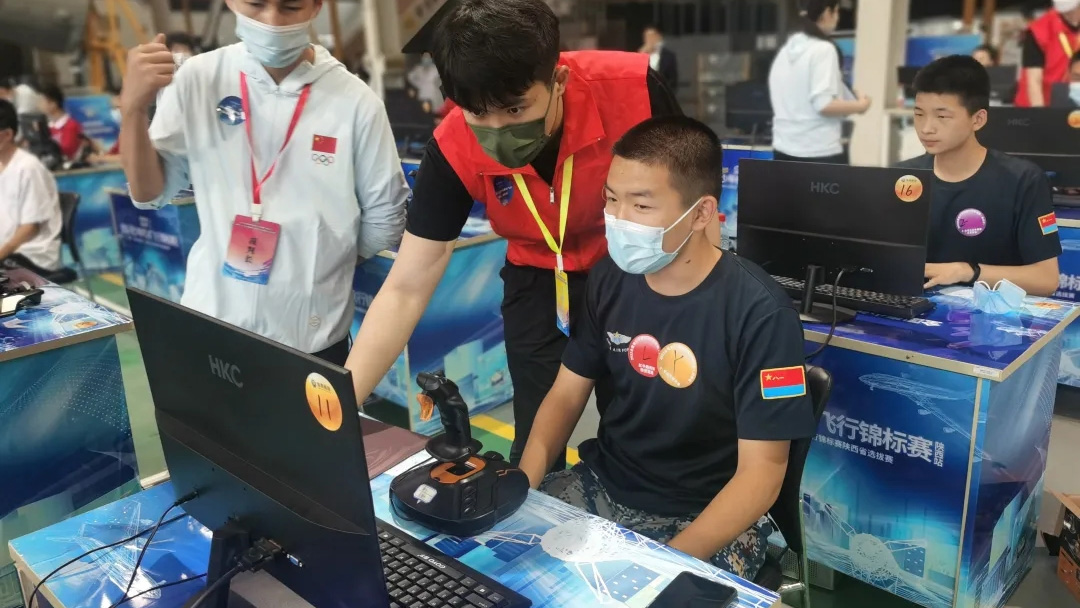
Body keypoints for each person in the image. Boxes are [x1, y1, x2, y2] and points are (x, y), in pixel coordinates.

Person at [346, 0, 686, 471]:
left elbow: (689, 202)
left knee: (641, 431)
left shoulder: (634, 90)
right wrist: (337, 408)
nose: (497, 130)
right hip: (536, 281)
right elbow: (406, 285)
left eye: (514, 108)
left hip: (632, 273)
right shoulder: (452, 144)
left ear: (558, 81)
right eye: (477, 113)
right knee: (536, 439)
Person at [518, 116, 816, 580]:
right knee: (505, 568)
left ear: (700, 213)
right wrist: (523, 490)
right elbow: (565, 395)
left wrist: (662, 565)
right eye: (611, 200)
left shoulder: (762, 313)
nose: (618, 219)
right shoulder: (610, 277)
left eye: (641, 205)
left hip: (705, 512)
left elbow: (762, 476)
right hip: (603, 485)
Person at [119, 0, 408, 364]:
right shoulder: (198, 78)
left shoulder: (355, 102)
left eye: (290, 6)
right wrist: (132, 109)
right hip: (212, 318)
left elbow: (385, 218)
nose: (272, 20)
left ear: (315, 6)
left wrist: (323, 263)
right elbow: (149, 194)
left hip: (310, 334)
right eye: (256, 4)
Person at [899, 55, 1060, 296]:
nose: (926, 128)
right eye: (919, 114)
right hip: (914, 308)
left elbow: (1046, 280)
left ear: (978, 119)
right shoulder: (903, 178)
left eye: (942, 116)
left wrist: (968, 272)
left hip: (992, 312)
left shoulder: (1023, 180)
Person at [768, 0, 870, 164]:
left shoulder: (785, 52)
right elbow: (824, 105)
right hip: (818, 151)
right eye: (836, 12)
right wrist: (860, 106)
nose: (837, 18)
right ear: (827, 13)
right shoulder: (824, 49)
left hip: (783, 150)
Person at [0, 100, 63, 275]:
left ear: (7, 135)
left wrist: (2, 253)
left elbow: (30, 228)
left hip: (30, 254)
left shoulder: (28, 168)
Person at [1016, 0, 1080, 107]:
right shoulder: (1039, 30)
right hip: (1039, 103)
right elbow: (1034, 81)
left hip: (1070, 100)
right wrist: (1041, 114)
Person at [39, 84, 84, 161]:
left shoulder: (71, 125)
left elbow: (67, 150)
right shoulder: (46, 125)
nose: (39, 105)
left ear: (53, 104)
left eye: (42, 102)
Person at [639, 25, 678, 91]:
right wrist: (641, 54)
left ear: (659, 37)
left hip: (661, 91)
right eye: (647, 37)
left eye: (652, 36)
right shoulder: (640, 54)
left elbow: (673, 79)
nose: (650, 40)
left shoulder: (668, 55)